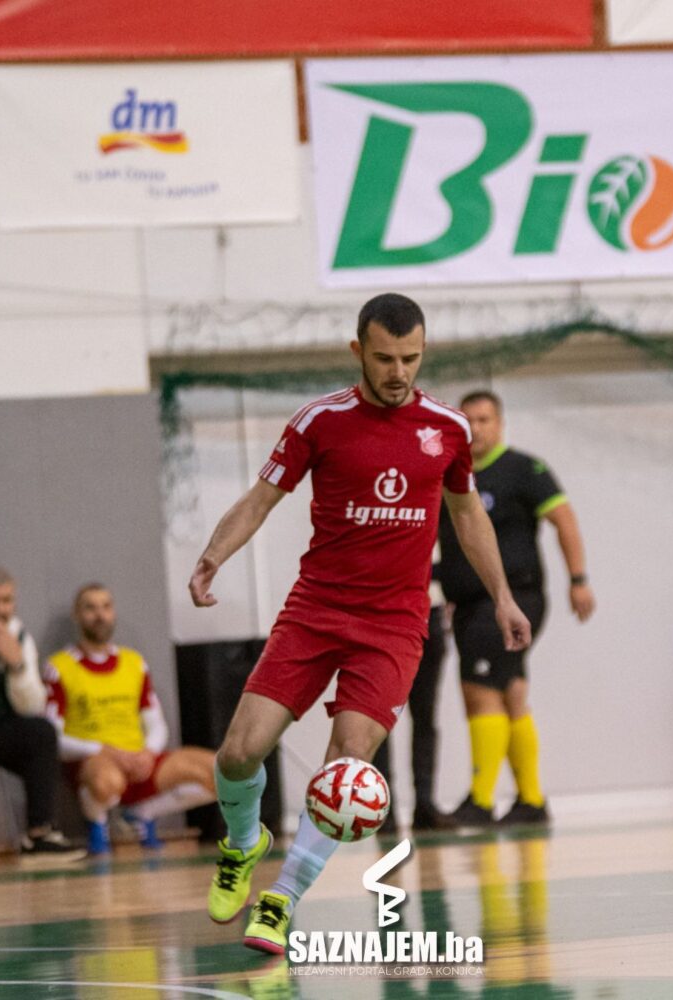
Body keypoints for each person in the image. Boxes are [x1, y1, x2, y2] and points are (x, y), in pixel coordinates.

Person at [188, 293, 531, 957]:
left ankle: (281, 899)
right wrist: (212, 556)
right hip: (316, 610)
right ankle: (241, 843)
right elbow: (261, 498)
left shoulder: (447, 429)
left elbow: (467, 516)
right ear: (358, 352)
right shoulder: (320, 422)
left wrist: (504, 595)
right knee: (237, 752)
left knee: (346, 768)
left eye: (411, 357)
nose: (398, 370)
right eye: (384, 358)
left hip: (395, 623)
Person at [438, 390, 595, 827]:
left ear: (500, 423)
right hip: (469, 605)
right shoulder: (449, 476)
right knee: (512, 693)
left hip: (511, 600)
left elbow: (564, 519)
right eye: (468, 420)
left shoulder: (523, 470)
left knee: (480, 691)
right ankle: (531, 800)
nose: (476, 428)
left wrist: (578, 579)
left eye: (484, 419)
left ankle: (481, 801)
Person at [44, 583, 217, 854]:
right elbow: (52, 736)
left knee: (221, 772)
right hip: (94, 761)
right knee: (107, 781)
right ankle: (97, 824)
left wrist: (149, 752)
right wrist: (104, 751)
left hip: (137, 759)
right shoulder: (60, 667)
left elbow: (155, 722)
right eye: (90, 608)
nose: (99, 615)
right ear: (77, 615)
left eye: (105, 606)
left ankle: (142, 814)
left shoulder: (133, 663)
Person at [0, 564, 86, 862]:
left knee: (41, 733)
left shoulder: (18, 637)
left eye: (7, 601)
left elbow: (32, 707)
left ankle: (40, 835)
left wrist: (16, 666)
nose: (0, 610)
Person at [373, 548, 456, 833]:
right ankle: (384, 808)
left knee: (425, 716)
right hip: (384, 612)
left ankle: (425, 803)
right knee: (379, 720)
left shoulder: (436, 509)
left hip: (428, 611)